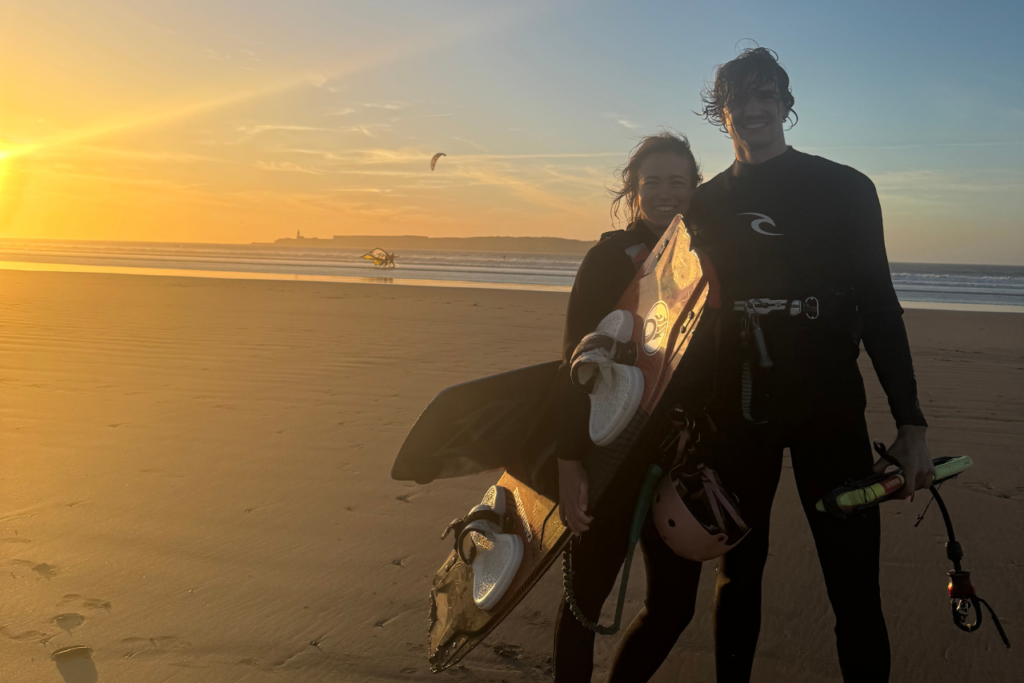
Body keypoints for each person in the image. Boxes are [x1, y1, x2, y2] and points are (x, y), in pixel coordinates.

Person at [685, 47, 934, 682]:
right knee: (738, 572)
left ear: (786, 105)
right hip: (738, 411)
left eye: (767, 94)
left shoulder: (845, 188)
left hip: (830, 406)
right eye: (739, 97)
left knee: (853, 582)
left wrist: (911, 423)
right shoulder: (702, 206)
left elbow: (879, 306)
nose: (754, 107)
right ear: (723, 112)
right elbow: (677, 320)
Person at [553, 132, 708, 683]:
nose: (667, 193)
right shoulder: (606, 260)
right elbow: (573, 363)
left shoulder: (709, 260)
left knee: (674, 607)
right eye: (653, 183)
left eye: (679, 182)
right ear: (634, 191)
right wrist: (568, 461)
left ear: (696, 187)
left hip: (680, 458)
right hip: (610, 453)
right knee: (583, 601)